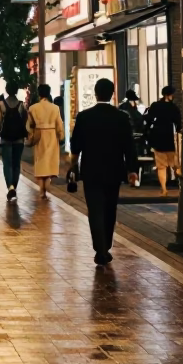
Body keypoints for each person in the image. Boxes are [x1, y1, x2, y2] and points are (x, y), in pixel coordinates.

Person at [69, 77, 139, 266]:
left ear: (95, 93)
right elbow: (129, 146)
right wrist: (132, 170)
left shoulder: (84, 117)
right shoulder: (122, 117)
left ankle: (100, 249)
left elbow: (75, 146)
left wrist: (73, 164)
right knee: (110, 209)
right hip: (114, 170)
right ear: (113, 93)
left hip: (91, 170)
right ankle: (106, 245)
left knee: (95, 210)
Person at [27, 83, 65, 199]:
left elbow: (28, 126)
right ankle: (46, 184)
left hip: (39, 134)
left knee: (40, 159)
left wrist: (31, 134)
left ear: (39, 93)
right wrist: (61, 135)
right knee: (49, 160)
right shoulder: (55, 108)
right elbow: (59, 124)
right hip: (52, 134)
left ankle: (41, 188)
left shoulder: (33, 108)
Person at [144, 84, 182, 196]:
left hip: (158, 139)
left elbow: (148, 119)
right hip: (170, 139)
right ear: (169, 95)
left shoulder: (155, 105)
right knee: (176, 165)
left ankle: (164, 189)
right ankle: (181, 187)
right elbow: (179, 124)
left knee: (161, 166)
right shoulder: (174, 108)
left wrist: (147, 133)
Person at [0, 83, 27, 201]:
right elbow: (25, 122)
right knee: (17, 164)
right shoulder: (22, 105)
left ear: (6, 90)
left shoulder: (1, 105)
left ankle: (10, 187)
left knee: (7, 164)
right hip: (19, 139)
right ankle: (14, 188)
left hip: (6, 139)